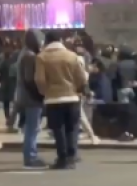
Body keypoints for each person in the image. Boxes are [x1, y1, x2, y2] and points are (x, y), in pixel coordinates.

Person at [34, 31, 87, 170]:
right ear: (61, 40)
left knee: (58, 129)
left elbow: (40, 79)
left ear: (47, 41)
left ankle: (62, 158)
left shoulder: (42, 57)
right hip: (72, 96)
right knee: (71, 128)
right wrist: (77, 89)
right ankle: (71, 156)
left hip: (53, 99)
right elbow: (81, 78)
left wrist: (45, 91)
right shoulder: (71, 56)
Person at [17, 29, 46, 170]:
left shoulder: (24, 54)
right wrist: (39, 94)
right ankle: (31, 157)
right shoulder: (30, 56)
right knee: (32, 129)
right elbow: (29, 80)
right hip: (31, 98)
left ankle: (31, 155)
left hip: (25, 97)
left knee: (31, 128)